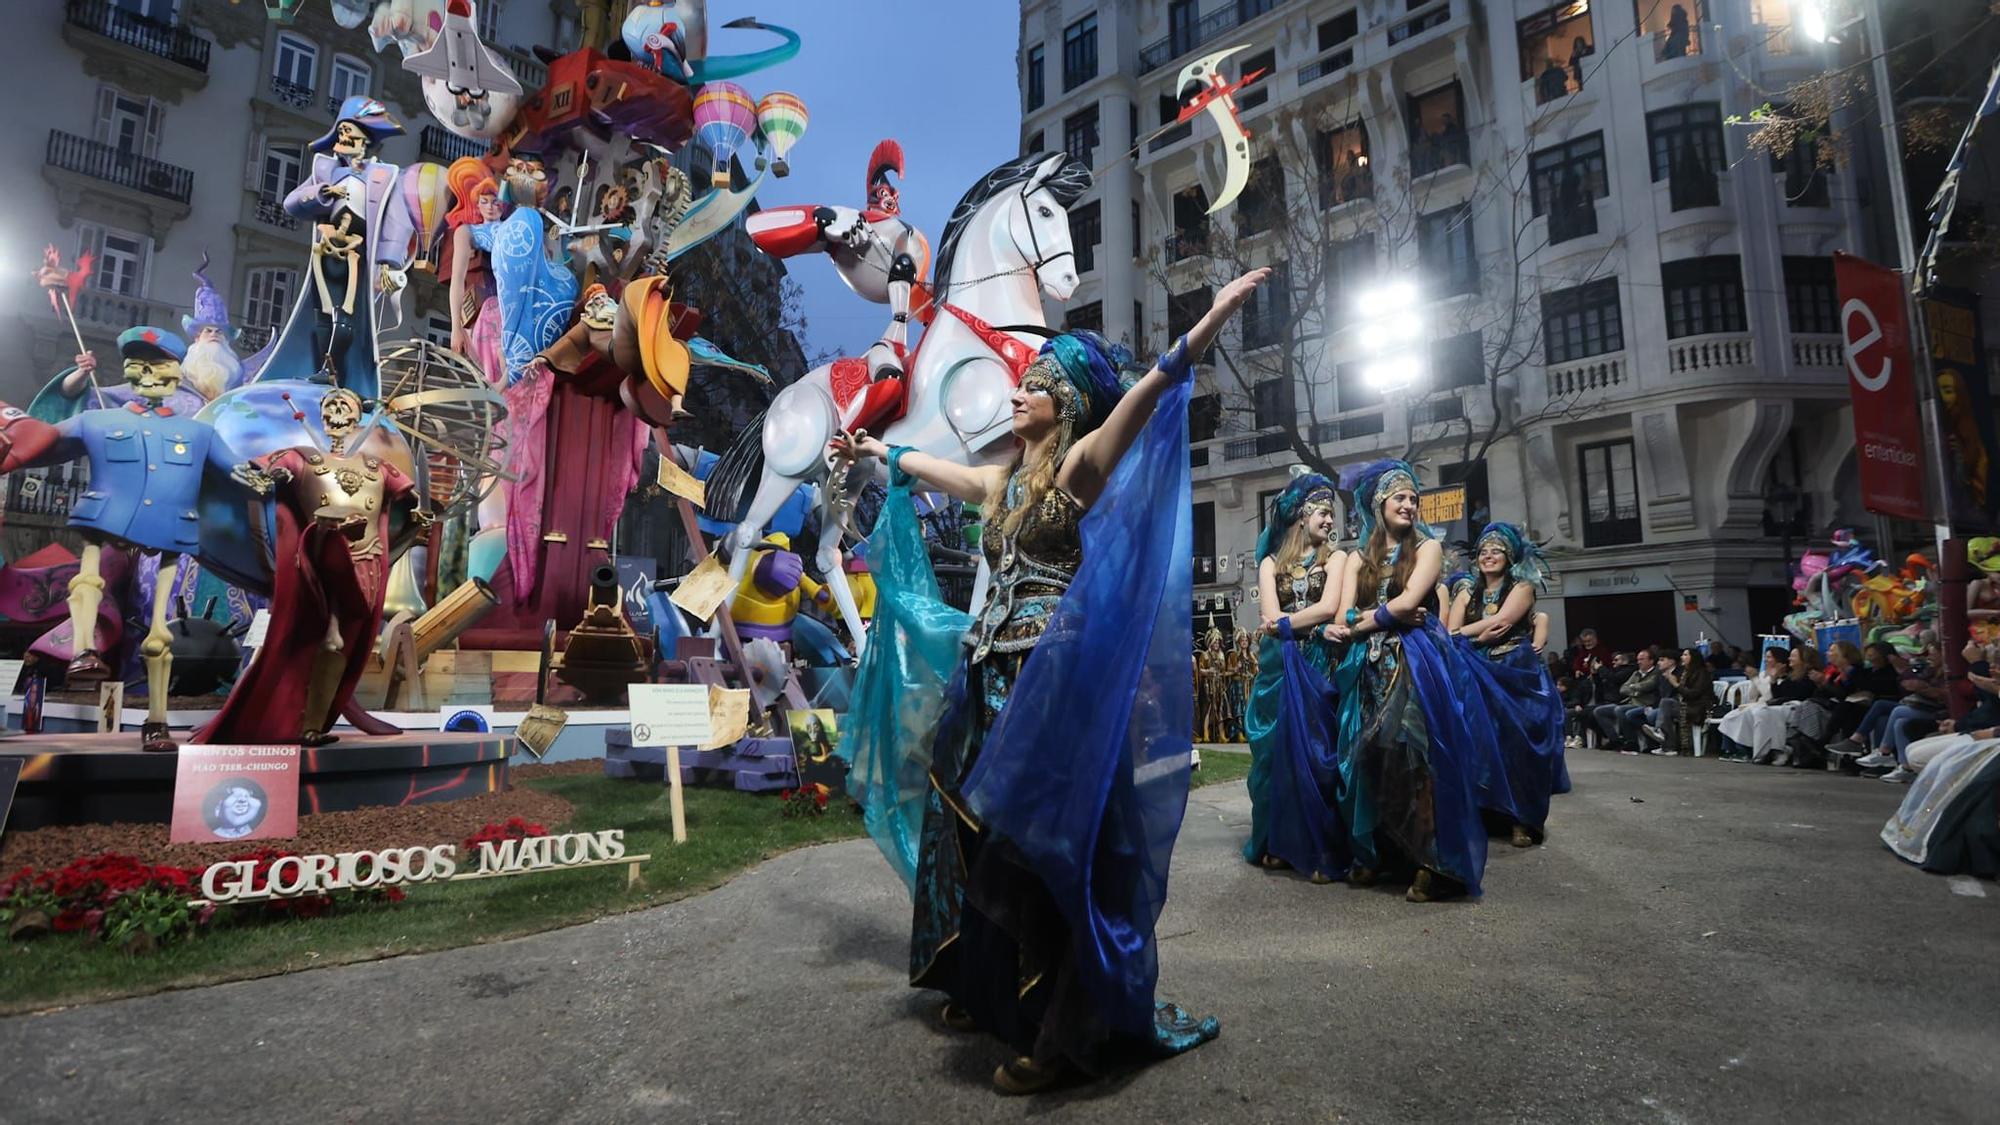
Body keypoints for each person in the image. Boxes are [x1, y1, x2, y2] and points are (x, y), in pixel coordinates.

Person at [830, 268, 1269, 1094]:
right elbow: (928, 466)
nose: (1018, 392)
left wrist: (1210, 318)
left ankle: (1063, 1031)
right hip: (984, 679)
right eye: (1021, 382)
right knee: (963, 833)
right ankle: (985, 982)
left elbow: (1146, 393)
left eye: (1035, 384)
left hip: (1045, 683)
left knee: (1040, 849)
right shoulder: (1001, 481)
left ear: (1065, 401)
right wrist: (875, 450)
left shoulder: (1078, 471)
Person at [195, 389, 429, 746]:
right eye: (331, 405)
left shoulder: (376, 466)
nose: (337, 412)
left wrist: (417, 515)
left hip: (365, 561)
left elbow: (410, 501)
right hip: (318, 558)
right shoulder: (301, 457)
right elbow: (271, 473)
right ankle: (295, 722)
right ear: (320, 415)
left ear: (356, 417)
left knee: (339, 643)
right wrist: (265, 478)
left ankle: (313, 725)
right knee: (318, 640)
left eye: (346, 406)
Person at [1329, 459, 1493, 902]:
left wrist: (1365, 620)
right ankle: (1382, 854)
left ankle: (1429, 863)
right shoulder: (1357, 558)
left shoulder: (1428, 549)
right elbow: (1345, 613)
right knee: (1373, 761)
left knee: (1417, 760)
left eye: (1414, 499)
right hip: (1369, 670)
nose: (1409, 504)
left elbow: (1405, 605)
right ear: (1379, 504)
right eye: (1399, 497)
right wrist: (1373, 618)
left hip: (1414, 666)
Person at [1242, 472, 1348, 882]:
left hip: (1321, 665)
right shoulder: (1269, 563)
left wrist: (1296, 625)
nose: (1329, 521)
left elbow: (1329, 607)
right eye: (1323, 512)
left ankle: (1320, 845)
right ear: (1302, 517)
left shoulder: (1336, 559)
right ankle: (1280, 843)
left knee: (1321, 755)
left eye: (1331, 514)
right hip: (1280, 669)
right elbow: (1268, 617)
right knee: (1278, 756)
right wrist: (1303, 624)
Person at [1449, 522, 1567, 846]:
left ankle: (1522, 819)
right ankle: (1487, 815)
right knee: (1479, 745)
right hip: (1474, 671)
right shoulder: (1465, 591)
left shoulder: (1523, 586)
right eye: (1483, 551)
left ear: (1510, 556)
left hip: (1514, 672)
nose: (1488, 556)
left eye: (1496, 551)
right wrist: (1470, 637)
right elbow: (1448, 632)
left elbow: (1502, 621)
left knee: (1517, 746)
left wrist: (1463, 634)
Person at [1594, 648, 1660, 752]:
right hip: (1630, 702)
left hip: (1644, 704)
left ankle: (1631, 742)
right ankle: (1615, 740)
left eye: (1642, 659)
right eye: (1638, 659)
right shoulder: (1636, 673)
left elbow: (1648, 686)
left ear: (1651, 661)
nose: (1639, 662)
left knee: (1620, 710)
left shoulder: (1656, 673)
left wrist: (1633, 687)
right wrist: (1635, 690)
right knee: (1599, 711)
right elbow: (1623, 689)